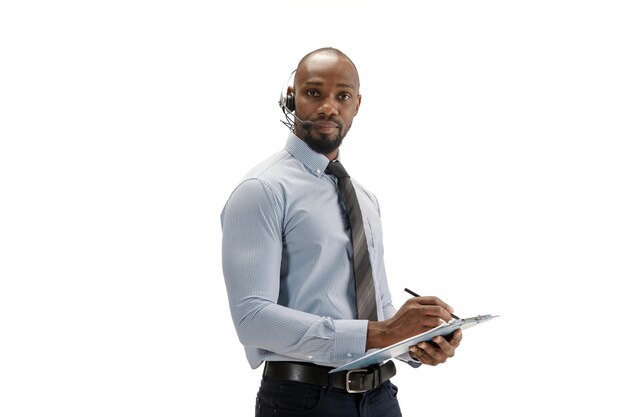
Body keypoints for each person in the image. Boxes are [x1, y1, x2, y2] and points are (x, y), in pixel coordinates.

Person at [221, 47, 462, 417]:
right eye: (314, 93)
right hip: (303, 401)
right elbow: (253, 319)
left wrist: (417, 342)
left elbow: (378, 313)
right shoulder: (263, 190)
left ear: (357, 105)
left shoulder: (364, 199)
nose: (329, 107)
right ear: (291, 98)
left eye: (342, 96)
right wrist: (380, 333)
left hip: (381, 398)